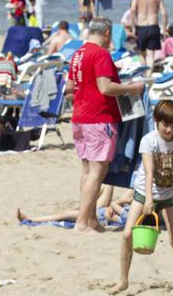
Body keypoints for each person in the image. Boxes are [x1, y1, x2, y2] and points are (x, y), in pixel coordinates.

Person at [108, 100, 173, 295]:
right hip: (143, 192)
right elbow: (149, 171)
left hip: (169, 194)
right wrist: (148, 199)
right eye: (165, 124)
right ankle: (123, 280)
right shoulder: (149, 140)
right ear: (157, 121)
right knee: (127, 234)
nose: (169, 129)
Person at [68, 17, 145, 233]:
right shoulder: (100, 53)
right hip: (99, 117)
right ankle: (82, 222)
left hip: (80, 117)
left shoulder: (78, 54)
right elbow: (105, 87)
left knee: (87, 170)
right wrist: (132, 87)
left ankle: (91, 218)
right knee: (97, 171)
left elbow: (69, 87)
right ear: (108, 33)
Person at [130, 0, 167, 67]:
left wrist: (133, 27)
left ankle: (143, 75)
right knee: (151, 55)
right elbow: (164, 13)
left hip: (141, 26)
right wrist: (164, 29)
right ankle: (149, 75)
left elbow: (133, 10)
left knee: (141, 53)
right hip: (153, 26)